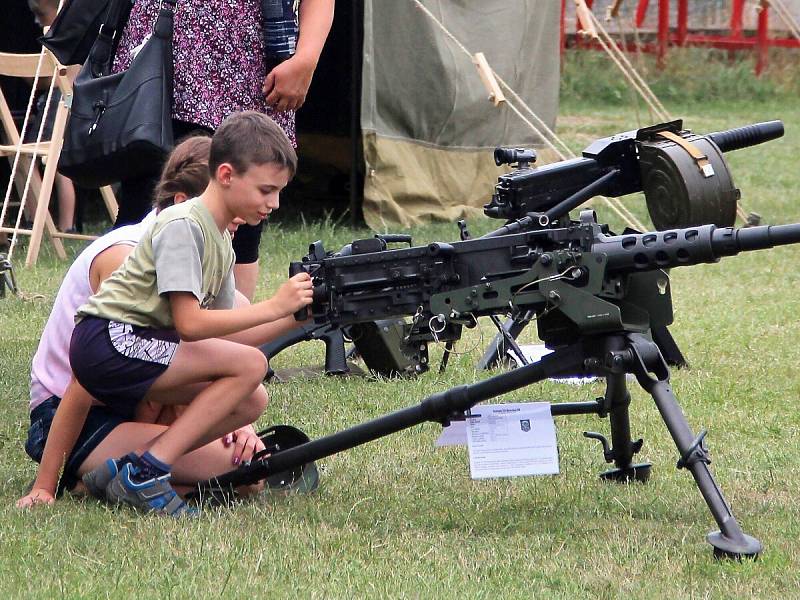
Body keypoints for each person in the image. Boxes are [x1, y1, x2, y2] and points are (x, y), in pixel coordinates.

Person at [19, 112, 313, 515]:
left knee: (249, 438)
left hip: (128, 390)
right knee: (241, 441)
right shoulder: (161, 238)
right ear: (222, 179)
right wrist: (44, 487)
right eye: (264, 191)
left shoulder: (218, 244)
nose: (272, 205)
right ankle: (139, 472)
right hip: (81, 397)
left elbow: (223, 341)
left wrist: (301, 316)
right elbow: (83, 383)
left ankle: (126, 473)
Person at [111, 0, 335, 301]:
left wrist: (307, 58)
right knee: (148, 198)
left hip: (246, 58)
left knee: (245, 209)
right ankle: (119, 327)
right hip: (166, 48)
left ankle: (229, 334)